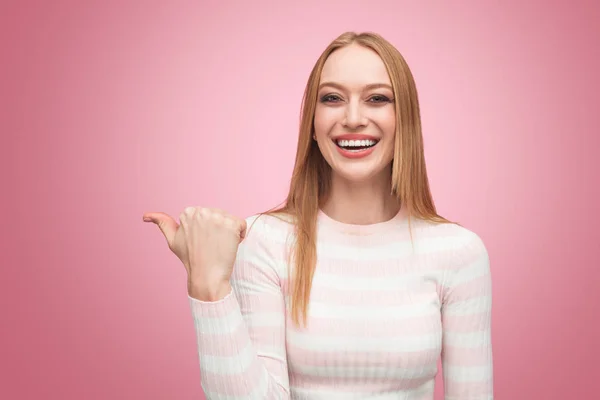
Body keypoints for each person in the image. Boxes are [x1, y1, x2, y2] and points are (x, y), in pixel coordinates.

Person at [143, 31, 493, 399]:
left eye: (377, 98)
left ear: (405, 118)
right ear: (312, 121)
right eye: (332, 98)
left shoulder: (459, 253)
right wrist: (209, 286)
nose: (353, 118)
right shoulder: (265, 240)